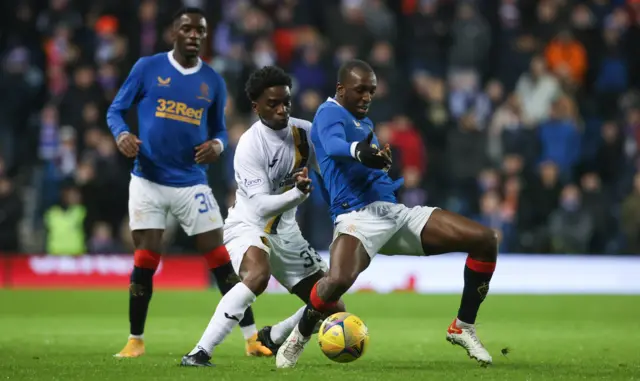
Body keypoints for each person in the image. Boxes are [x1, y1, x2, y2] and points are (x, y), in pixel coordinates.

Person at [275, 60, 498, 368]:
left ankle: (463, 326)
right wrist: (359, 152)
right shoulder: (329, 113)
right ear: (341, 90)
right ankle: (298, 336)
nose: (367, 97)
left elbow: (360, 157)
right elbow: (334, 144)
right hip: (356, 217)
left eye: (372, 91)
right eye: (360, 90)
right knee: (338, 280)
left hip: (393, 213)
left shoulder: (364, 123)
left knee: (485, 239)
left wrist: (378, 161)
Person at [106, 7, 269, 358]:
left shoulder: (212, 80)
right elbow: (115, 110)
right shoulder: (147, 68)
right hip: (147, 179)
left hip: (192, 183)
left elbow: (220, 131)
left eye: (201, 30)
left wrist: (218, 145)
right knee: (146, 257)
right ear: (173, 33)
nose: (194, 34)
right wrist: (121, 134)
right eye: (188, 28)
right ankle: (135, 340)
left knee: (220, 260)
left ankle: (252, 338)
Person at [181, 65, 345, 367]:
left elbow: (334, 172)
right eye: (273, 104)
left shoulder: (304, 132)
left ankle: (273, 337)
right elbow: (259, 208)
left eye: (286, 102)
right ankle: (199, 352)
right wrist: (298, 193)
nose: (282, 109)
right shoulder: (249, 145)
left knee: (331, 303)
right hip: (248, 226)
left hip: (287, 233)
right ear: (256, 107)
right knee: (258, 275)